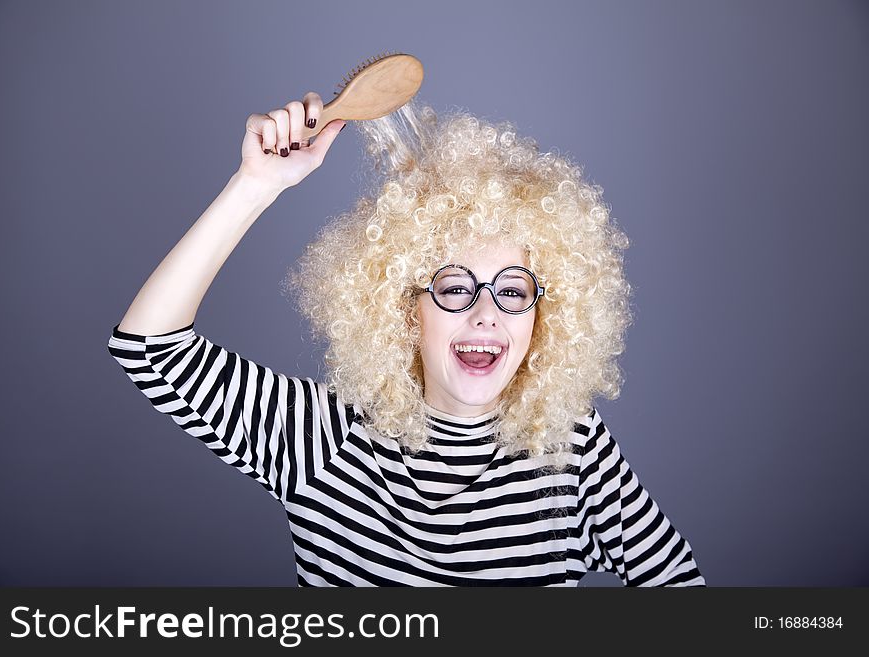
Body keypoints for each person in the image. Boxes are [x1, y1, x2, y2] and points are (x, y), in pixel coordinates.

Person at [107, 91, 706, 586]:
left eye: (513, 290)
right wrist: (255, 183)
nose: (486, 314)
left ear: (541, 317)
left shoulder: (571, 444)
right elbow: (148, 345)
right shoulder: (324, 438)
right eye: (453, 287)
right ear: (403, 308)